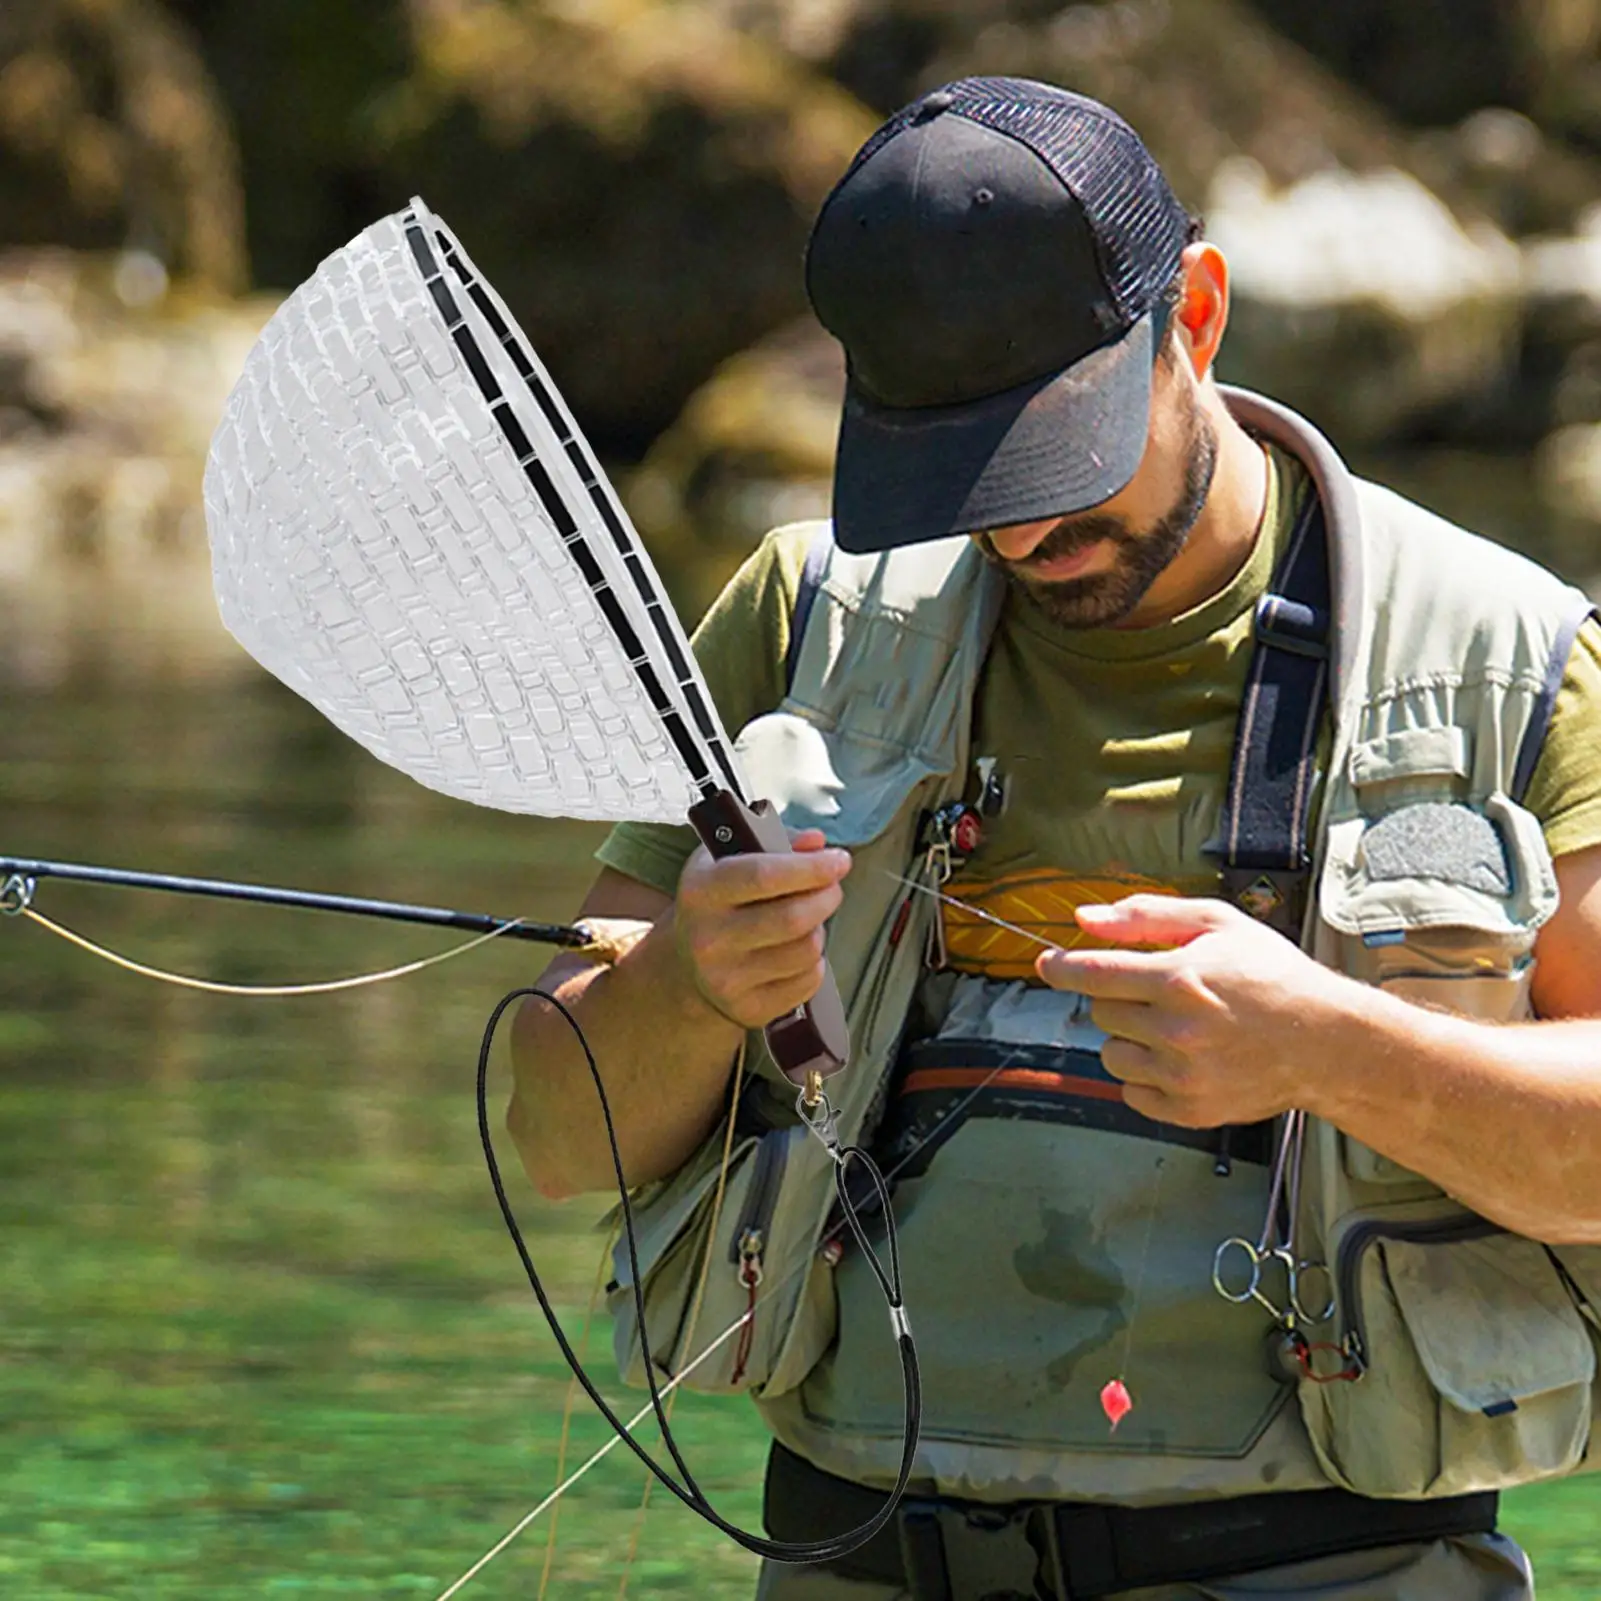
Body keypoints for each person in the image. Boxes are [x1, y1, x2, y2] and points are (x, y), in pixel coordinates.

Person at [507, 76, 1601, 1601]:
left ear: (1196, 318)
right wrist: (687, 981)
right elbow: (550, 1141)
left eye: (1056, 455)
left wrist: (1326, 1050)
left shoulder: (1518, 658)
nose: (1021, 533)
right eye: (958, 477)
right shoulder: (794, 618)